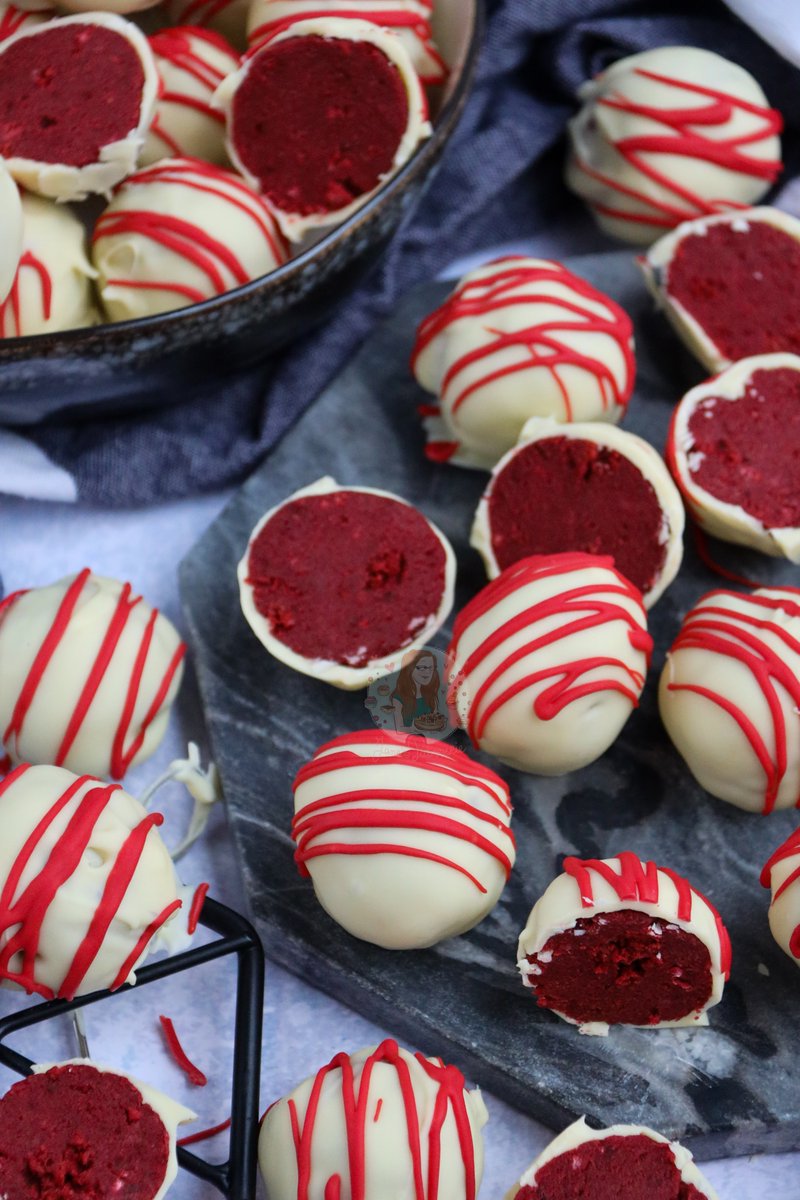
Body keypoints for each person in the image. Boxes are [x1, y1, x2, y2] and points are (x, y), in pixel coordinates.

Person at [391, 648, 441, 731]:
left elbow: (435, 721)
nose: (428, 672)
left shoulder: (431, 696)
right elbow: (399, 729)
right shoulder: (398, 698)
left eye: (431, 668)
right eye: (422, 667)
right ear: (410, 668)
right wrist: (417, 728)